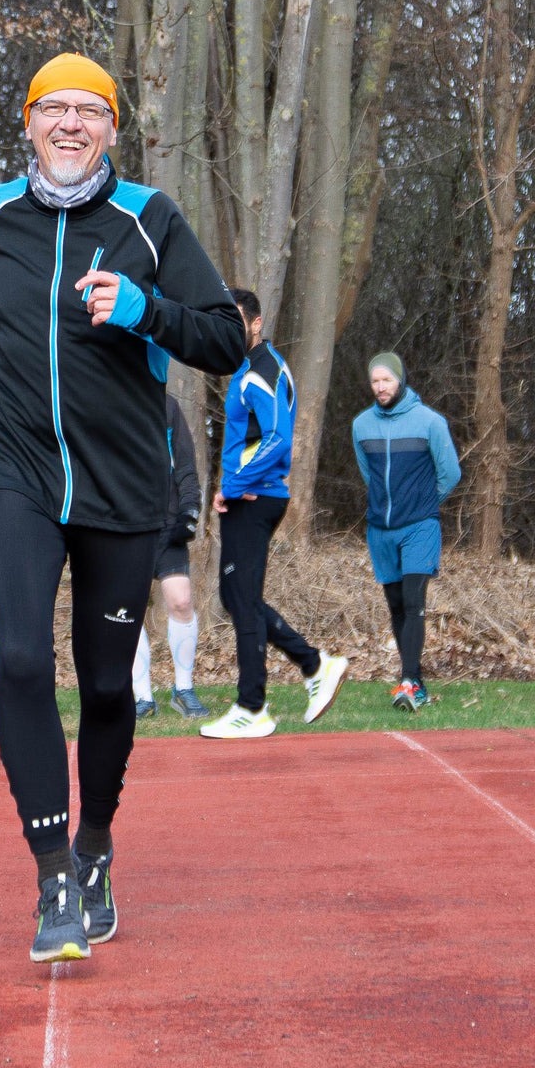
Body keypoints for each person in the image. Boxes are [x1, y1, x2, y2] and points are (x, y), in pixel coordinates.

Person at [0, 53, 245, 964]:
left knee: (103, 685)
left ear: (111, 130)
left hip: (122, 487)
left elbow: (222, 338)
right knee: (19, 657)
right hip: (19, 475)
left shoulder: (150, 220)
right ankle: (52, 866)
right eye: (51, 108)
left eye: (87, 112)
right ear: (27, 123)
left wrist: (143, 308)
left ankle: (95, 846)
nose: (68, 124)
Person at [199, 288, 349, 739]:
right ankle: (314, 663)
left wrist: (236, 485)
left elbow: (278, 439)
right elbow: (248, 439)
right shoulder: (252, 369)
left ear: (257, 323)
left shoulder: (259, 372)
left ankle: (253, 707)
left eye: (235, 320)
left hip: (256, 496)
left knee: (241, 600)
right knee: (235, 597)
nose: (229, 329)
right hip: (251, 493)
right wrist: (227, 487)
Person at [352, 351, 461, 711]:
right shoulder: (361, 426)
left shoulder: (430, 422)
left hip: (420, 526)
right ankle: (415, 680)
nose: (381, 387)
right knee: (397, 605)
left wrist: (423, 502)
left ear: (400, 379)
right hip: (380, 529)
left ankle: (409, 682)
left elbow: (450, 473)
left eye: (387, 380)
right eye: (375, 381)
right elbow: (368, 475)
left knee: (414, 602)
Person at [131, 393, 209, 720]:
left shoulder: (169, 405)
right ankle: (142, 698)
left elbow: (187, 464)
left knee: (180, 601)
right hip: (126, 524)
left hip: (167, 521)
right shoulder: (108, 398)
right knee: (128, 611)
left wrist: (190, 507)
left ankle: (184, 689)